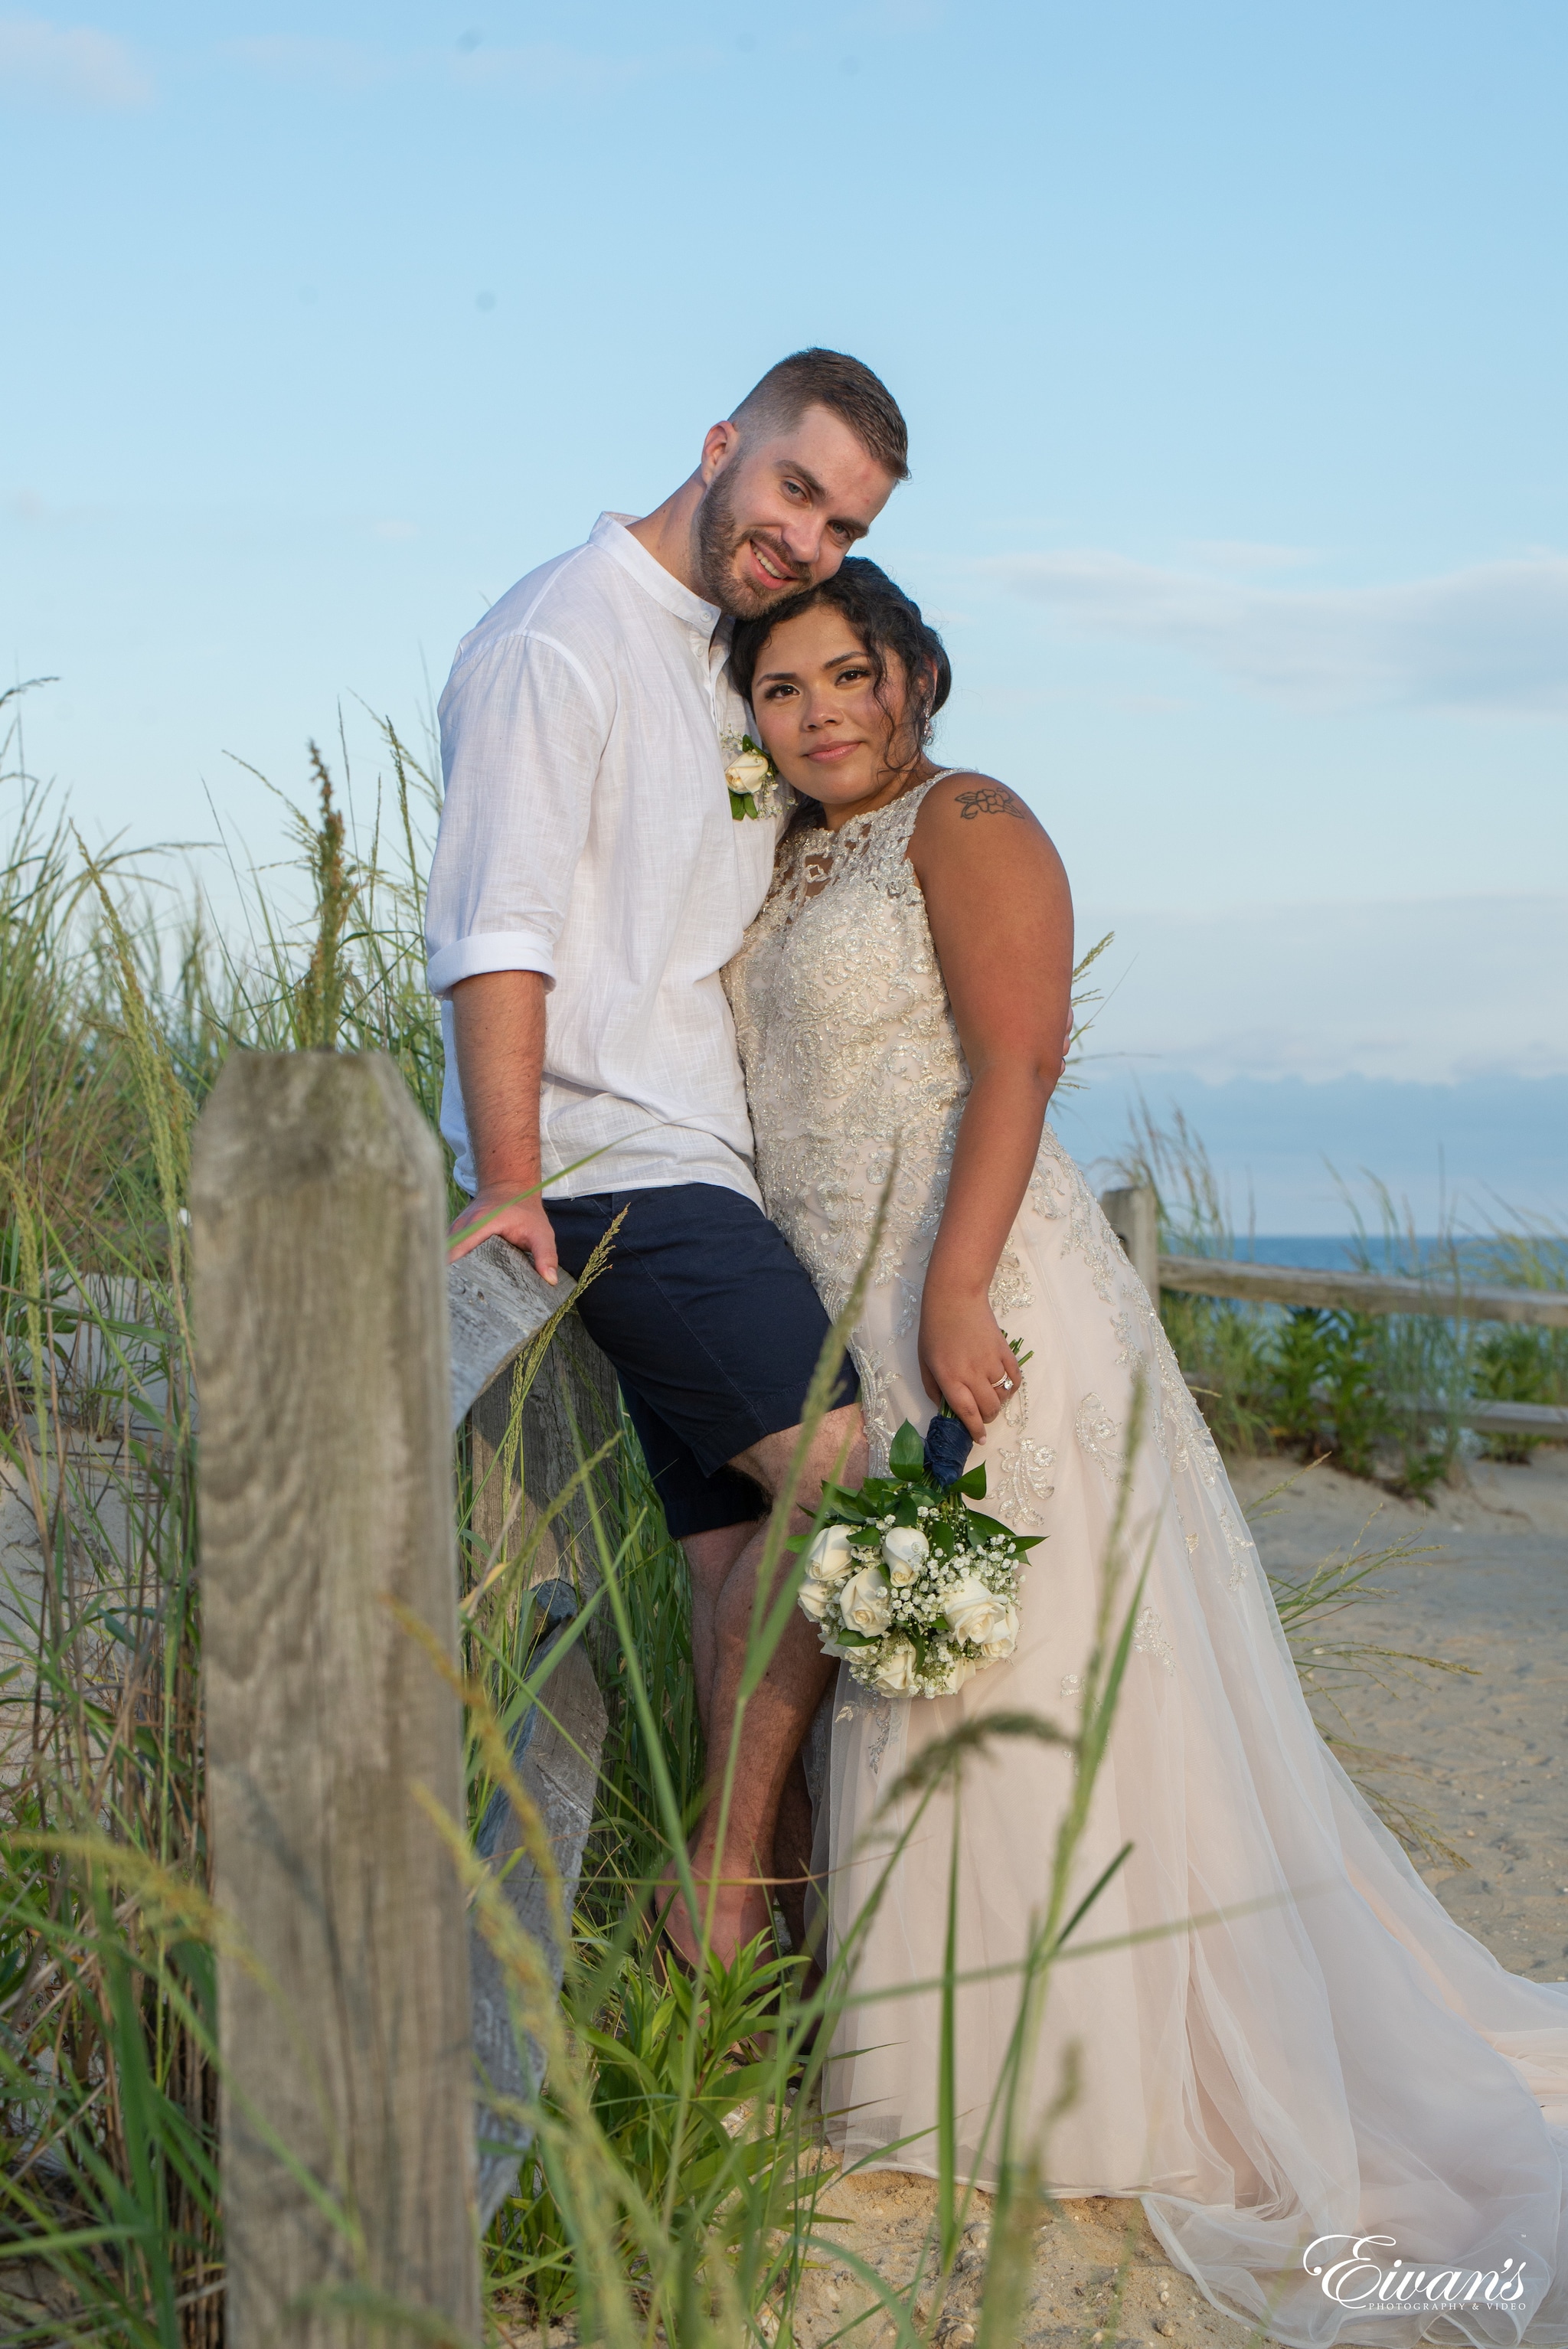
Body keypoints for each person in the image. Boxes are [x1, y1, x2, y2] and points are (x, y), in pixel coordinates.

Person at [724, 557, 1568, 2345]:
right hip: (843, 1296)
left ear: (917, 672)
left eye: (847, 673)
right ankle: (933, 2053)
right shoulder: (792, 857)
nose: (821, 713)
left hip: (975, 1282)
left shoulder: (970, 815)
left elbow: (1017, 1058)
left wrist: (954, 1291)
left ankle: (1070, 2083)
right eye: (783, 688)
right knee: (920, 1647)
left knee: (1017, 1648)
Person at [426, 350, 907, 1968]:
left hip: (707, 1158)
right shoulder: (560, 636)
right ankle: (721, 1897)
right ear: (720, 447)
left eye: (841, 525)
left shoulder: (735, 658)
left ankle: (742, 1953)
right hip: (612, 1157)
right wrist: (510, 1172)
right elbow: (498, 920)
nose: (808, 541)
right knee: (843, 1496)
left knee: (740, 1556)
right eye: (793, 492)